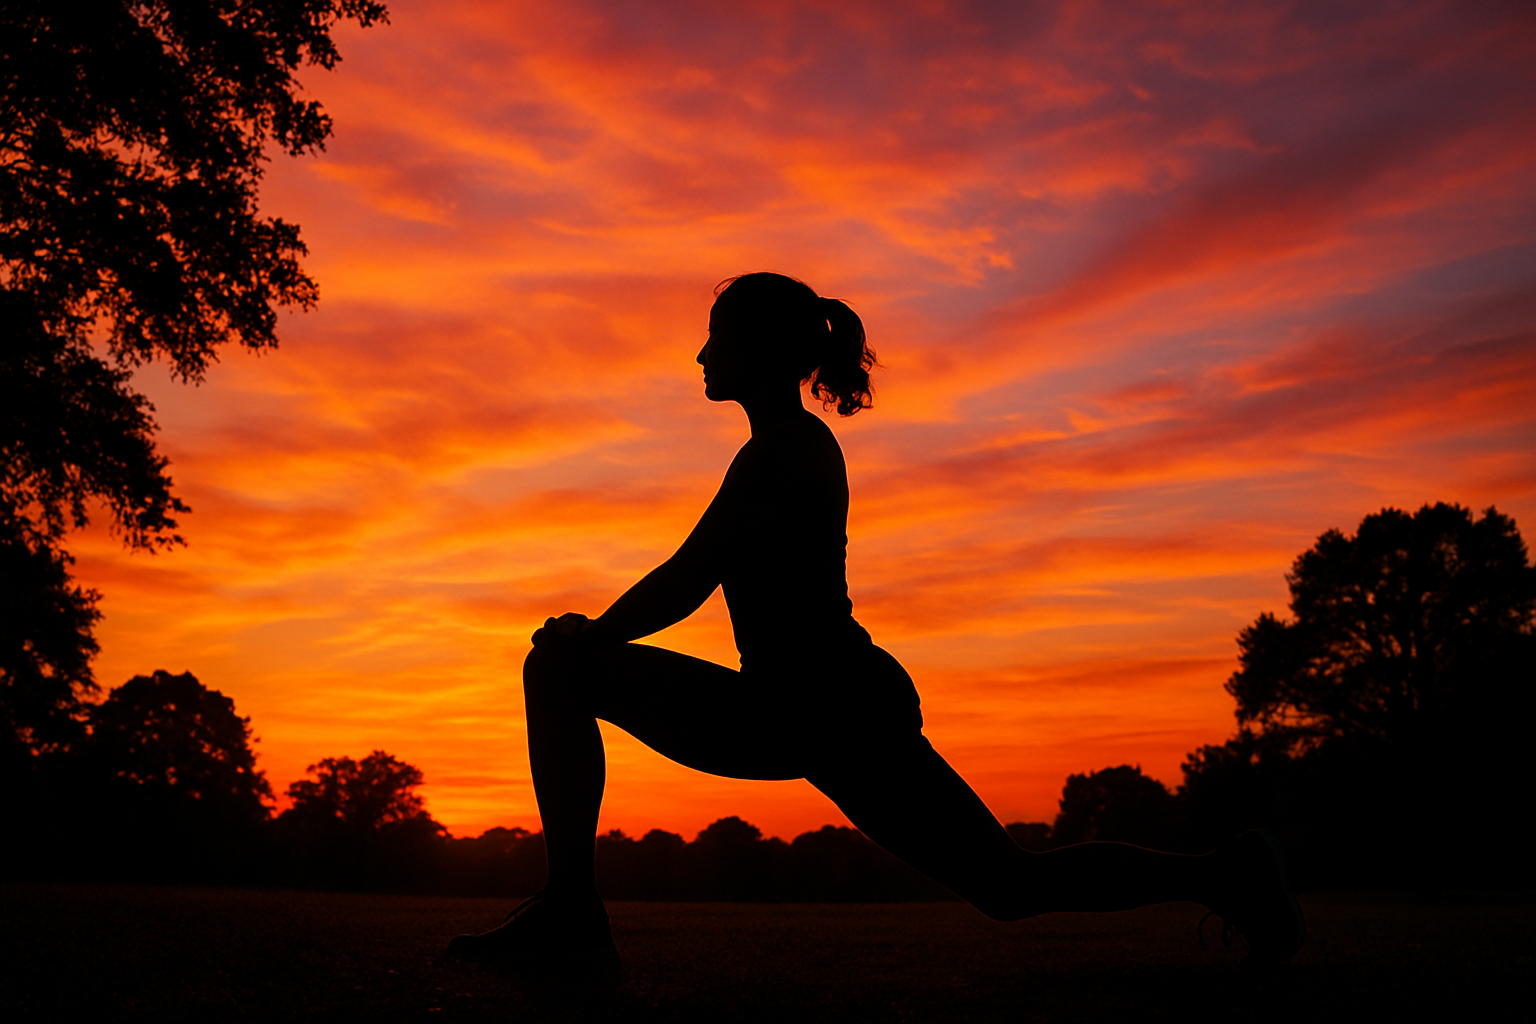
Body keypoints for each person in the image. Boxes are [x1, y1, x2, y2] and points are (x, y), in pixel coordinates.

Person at [446, 272, 1305, 972]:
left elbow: (690, 577)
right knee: (1007, 884)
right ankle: (570, 912)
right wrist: (590, 642)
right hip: (803, 706)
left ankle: (1230, 873)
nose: (701, 351)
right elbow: (696, 577)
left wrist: (589, 638)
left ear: (765, 347)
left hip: (825, 708)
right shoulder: (782, 447)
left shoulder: (787, 449)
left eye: (719, 333)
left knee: (1007, 885)